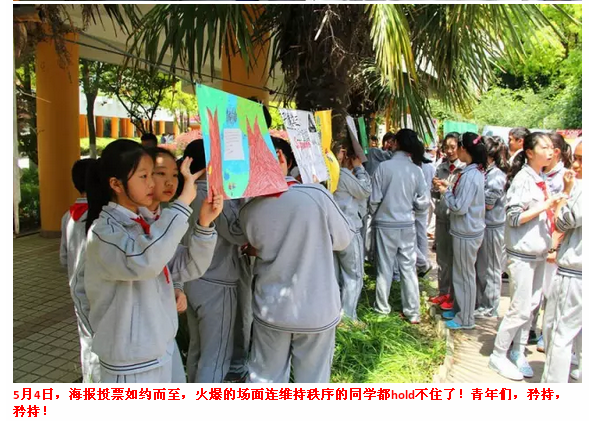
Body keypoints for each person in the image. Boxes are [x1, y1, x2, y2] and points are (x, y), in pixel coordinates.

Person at [84, 139, 222, 383]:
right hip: (130, 362)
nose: (152, 183)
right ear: (116, 184)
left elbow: (188, 266)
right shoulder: (104, 232)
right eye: (144, 176)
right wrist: (182, 205)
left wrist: (204, 224)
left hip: (160, 349)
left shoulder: (147, 225)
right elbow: (144, 262)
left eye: (151, 175)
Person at [239, 137, 355, 383]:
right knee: (313, 381)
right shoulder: (316, 195)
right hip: (317, 309)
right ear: (282, 158)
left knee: (265, 380)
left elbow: (257, 246)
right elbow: (343, 240)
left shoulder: (249, 211)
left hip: (271, 309)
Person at [488, 133, 564, 381]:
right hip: (522, 253)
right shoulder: (523, 179)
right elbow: (513, 218)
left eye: (552, 148)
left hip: (538, 253)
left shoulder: (540, 178)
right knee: (519, 308)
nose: (550, 151)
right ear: (530, 152)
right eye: (545, 147)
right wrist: (545, 206)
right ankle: (498, 353)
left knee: (530, 307)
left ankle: (518, 352)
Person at [181, 139, 248, 383]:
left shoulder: (183, 193)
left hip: (189, 279)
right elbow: (238, 233)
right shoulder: (215, 194)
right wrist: (244, 201)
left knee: (197, 349)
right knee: (216, 355)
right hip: (217, 281)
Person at [369, 129, 430, 323]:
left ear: (395, 143)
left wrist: (373, 213)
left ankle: (381, 309)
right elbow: (424, 202)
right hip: (407, 223)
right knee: (408, 268)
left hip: (385, 223)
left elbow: (374, 199)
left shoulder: (383, 167)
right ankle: (413, 312)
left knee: (384, 267)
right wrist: (412, 206)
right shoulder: (416, 170)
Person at [542, 141, 582, 383]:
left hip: (575, 273)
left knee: (559, 334)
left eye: (581, 160)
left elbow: (563, 222)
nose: (575, 165)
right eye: (575, 158)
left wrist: (565, 194)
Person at [438, 133, 486, 329]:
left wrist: (446, 193)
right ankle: (460, 309)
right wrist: (449, 188)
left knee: (465, 276)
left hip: (467, 231)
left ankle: (466, 318)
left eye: (457, 146)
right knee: (460, 274)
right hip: (465, 230)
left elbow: (459, 207)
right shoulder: (471, 172)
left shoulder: (471, 175)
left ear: (464, 149)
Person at [59, 158, 99, 383]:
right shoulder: (98, 215)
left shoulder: (68, 216)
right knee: (98, 343)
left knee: (87, 340)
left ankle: (88, 382)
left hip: (77, 288)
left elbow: (63, 258)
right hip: (95, 290)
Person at [531, 132, 572, 351]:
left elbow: (564, 216)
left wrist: (555, 245)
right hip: (539, 240)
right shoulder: (539, 174)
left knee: (551, 292)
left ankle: (547, 335)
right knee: (536, 289)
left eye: (547, 148)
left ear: (555, 152)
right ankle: (531, 329)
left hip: (554, 245)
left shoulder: (566, 178)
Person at [333, 142, 372, 321]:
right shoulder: (341, 174)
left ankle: (335, 315)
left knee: (334, 275)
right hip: (349, 229)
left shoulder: (324, 173)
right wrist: (359, 169)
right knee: (354, 275)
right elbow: (365, 190)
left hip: (331, 230)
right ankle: (348, 318)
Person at [475, 136, 508, 319]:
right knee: (482, 267)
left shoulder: (496, 175)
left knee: (492, 268)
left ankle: (490, 307)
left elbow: (488, 203)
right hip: (485, 225)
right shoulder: (486, 172)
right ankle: (482, 303)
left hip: (493, 226)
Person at [430, 132, 465, 308]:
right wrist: (435, 187)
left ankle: (453, 295)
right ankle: (443, 292)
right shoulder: (441, 167)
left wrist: (448, 187)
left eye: (453, 147)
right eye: (446, 147)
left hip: (457, 220)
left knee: (455, 259)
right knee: (442, 258)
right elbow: (435, 195)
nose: (450, 151)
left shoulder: (464, 169)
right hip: (442, 218)